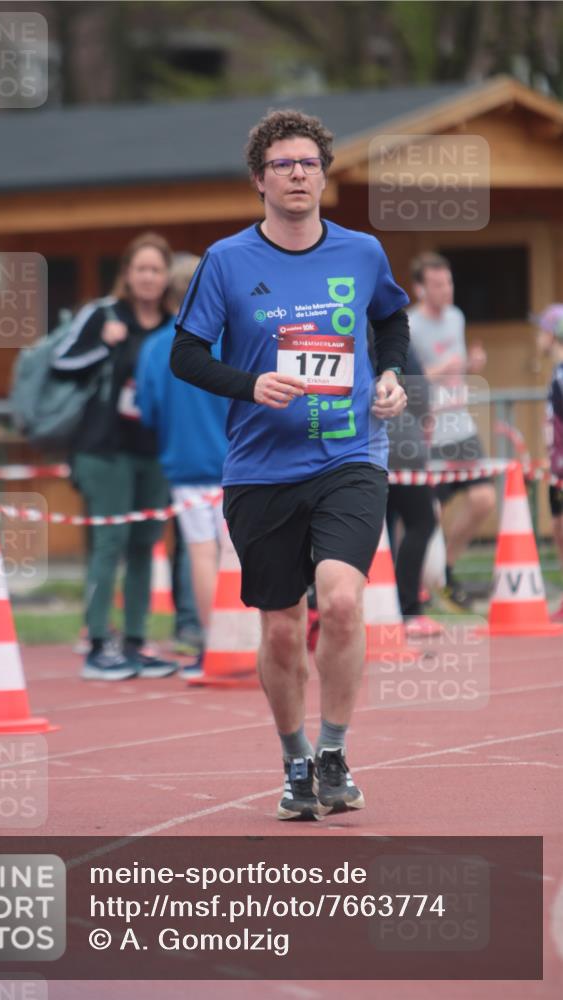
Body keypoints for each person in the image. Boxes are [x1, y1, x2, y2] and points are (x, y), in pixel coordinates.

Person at [171, 109, 409, 820]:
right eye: (284, 164)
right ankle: (294, 759)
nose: (298, 173)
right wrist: (250, 385)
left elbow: (389, 319)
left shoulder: (362, 252)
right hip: (259, 469)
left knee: (339, 599)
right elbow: (185, 355)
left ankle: (334, 751)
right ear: (259, 180)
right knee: (279, 623)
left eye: (309, 163)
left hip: (347, 455)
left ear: (323, 176)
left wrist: (391, 375)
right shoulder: (226, 260)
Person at [52, 232, 178, 681]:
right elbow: (59, 362)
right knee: (110, 542)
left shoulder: (173, 325)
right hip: (103, 449)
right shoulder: (103, 314)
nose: (148, 277)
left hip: (154, 450)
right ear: (127, 273)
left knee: (146, 544)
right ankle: (98, 641)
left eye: (156, 270)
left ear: (166, 277)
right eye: (140, 268)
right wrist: (103, 344)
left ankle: (136, 641)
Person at [136, 254, 228, 679]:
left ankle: (216, 642)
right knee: (242, 553)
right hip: (238, 459)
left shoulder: (155, 348)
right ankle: (252, 636)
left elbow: (148, 410)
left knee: (202, 554)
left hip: (186, 462)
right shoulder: (232, 339)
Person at [407, 252, 496, 613]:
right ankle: (419, 585)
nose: (447, 290)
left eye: (450, 282)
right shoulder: (408, 324)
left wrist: (473, 364)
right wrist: (442, 368)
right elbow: (409, 379)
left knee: (483, 500)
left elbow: (459, 368)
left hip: (461, 423)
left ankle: (447, 569)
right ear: (420, 289)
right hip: (430, 430)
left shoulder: (456, 317)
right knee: (429, 515)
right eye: (439, 284)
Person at [384, 345, 441, 637]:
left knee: (380, 529)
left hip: (358, 446)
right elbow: (420, 393)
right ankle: (408, 609)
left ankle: (380, 608)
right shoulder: (396, 336)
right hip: (402, 442)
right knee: (422, 521)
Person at [535, 303, 563, 622]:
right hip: (556, 466)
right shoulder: (555, 373)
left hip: (562, 466)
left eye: (542, 331)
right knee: (558, 527)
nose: (537, 338)